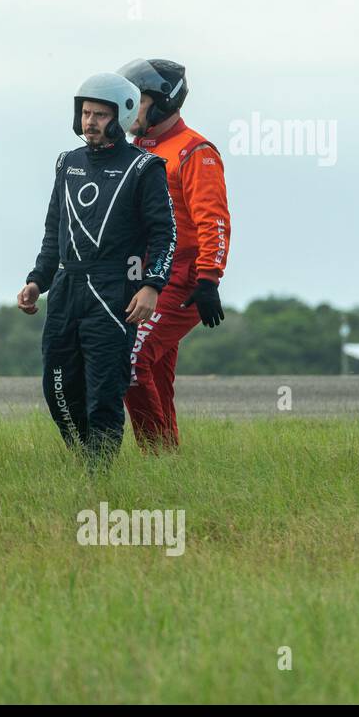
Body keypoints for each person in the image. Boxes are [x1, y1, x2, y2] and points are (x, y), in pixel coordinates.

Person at [17, 73, 176, 467]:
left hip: (113, 292)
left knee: (103, 391)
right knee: (58, 388)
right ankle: (85, 457)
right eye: (86, 112)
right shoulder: (66, 163)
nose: (90, 121)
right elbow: (55, 230)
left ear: (120, 115)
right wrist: (38, 280)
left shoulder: (146, 168)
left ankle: (99, 473)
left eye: (100, 114)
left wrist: (152, 285)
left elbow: (164, 233)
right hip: (66, 288)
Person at [117, 59, 231, 451]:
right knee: (156, 373)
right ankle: (167, 465)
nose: (126, 109)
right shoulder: (134, 151)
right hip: (144, 276)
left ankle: (156, 457)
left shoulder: (195, 150)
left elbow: (213, 220)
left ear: (162, 102)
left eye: (137, 101)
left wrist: (208, 279)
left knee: (130, 363)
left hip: (182, 278)